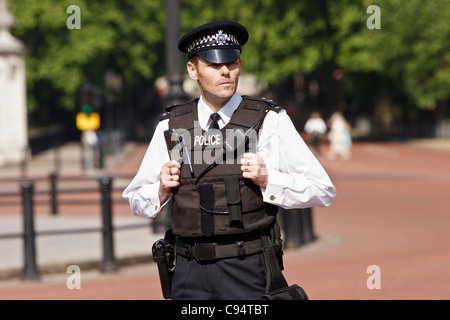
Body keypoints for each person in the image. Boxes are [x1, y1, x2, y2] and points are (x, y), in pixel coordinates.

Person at [123, 20, 336, 300]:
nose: (225, 71)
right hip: (188, 272)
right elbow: (136, 199)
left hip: (247, 267)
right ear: (192, 70)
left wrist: (269, 179)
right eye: (213, 64)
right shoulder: (171, 125)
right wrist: (160, 190)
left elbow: (323, 190)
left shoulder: (269, 120)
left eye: (232, 62)